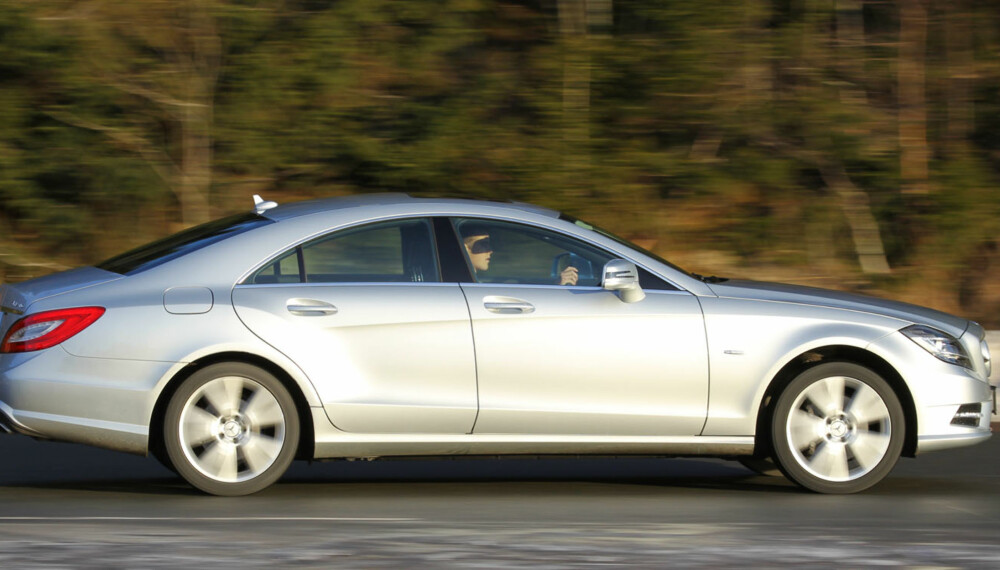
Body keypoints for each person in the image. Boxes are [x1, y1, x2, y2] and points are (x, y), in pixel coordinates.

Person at [460, 224, 579, 285]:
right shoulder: (464, 285)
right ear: (465, 248)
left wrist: (556, 284)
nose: (491, 250)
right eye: (484, 244)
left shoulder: (473, 282)